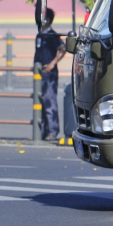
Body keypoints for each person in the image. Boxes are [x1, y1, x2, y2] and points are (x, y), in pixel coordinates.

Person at [36, 8, 65, 141]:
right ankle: (42, 131)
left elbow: (63, 49)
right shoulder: (40, 34)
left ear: (47, 20)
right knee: (40, 103)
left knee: (49, 102)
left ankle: (52, 131)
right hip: (39, 75)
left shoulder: (52, 35)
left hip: (49, 75)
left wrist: (52, 63)